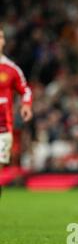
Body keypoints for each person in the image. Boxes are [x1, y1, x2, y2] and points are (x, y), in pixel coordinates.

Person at [0, 27, 33, 196]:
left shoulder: (11, 69)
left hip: (3, 127)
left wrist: (26, 105)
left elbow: (25, 90)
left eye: (1, 37)